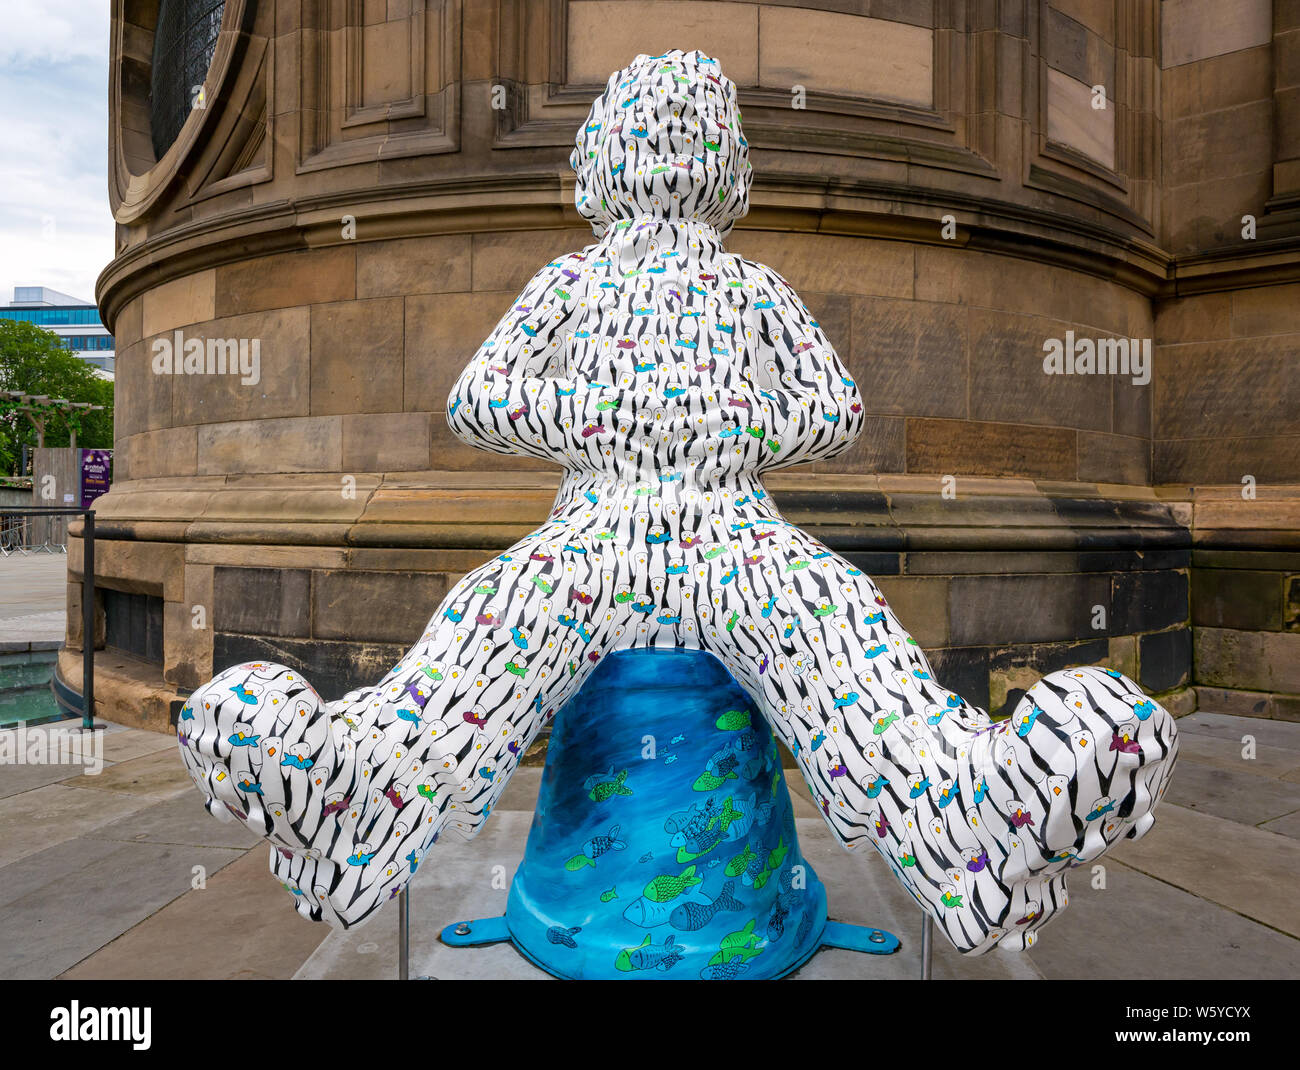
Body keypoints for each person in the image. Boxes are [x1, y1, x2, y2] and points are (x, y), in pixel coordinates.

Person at [178, 49, 1178, 954]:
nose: (670, 146)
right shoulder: (568, 283)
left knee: (835, 626)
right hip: (591, 530)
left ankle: (974, 812)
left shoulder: (750, 289)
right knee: (489, 626)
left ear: (723, 163)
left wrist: (717, 423)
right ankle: (352, 792)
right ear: (604, 153)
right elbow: (480, 396)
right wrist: (612, 417)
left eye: (692, 130)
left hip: (735, 531)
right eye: (650, 127)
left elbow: (831, 405)